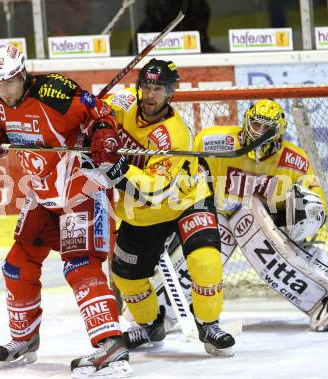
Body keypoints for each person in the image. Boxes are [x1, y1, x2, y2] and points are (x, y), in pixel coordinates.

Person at [0, 45, 132, 378]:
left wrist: (104, 131)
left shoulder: (55, 93)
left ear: (23, 74)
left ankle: (111, 345)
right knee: (16, 265)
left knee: (80, 266)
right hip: (44, 191)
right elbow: (11, 126)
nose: (4, 90)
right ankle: (25, 338)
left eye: (9, 82)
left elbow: (100, 109)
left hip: (80, 186)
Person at [151, 99, 328, 333]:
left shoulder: (293, 160)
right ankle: (157, 313)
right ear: (246, 122)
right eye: (256, 125)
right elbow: (186, 174)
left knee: (259, 221)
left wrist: (308, 215)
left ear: (279, 132)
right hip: (217, 215)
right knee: (204, 254)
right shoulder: (213, 141)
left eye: (267, 129)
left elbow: (315, 197)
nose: (259, 132)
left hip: (270, 223)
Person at [98, 58, 235, 356]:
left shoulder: (174, 134)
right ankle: (150, 326)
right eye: (146, 86)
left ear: (170, 92)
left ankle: (209, 325)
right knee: (125, 275)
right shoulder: (123, 102)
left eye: (158, 89)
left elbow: (153, 190)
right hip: (142, 213)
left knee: (206, 262)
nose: (150, 95)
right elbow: (98, 110)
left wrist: (115, 166)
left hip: (186, 199)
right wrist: (98, 125)